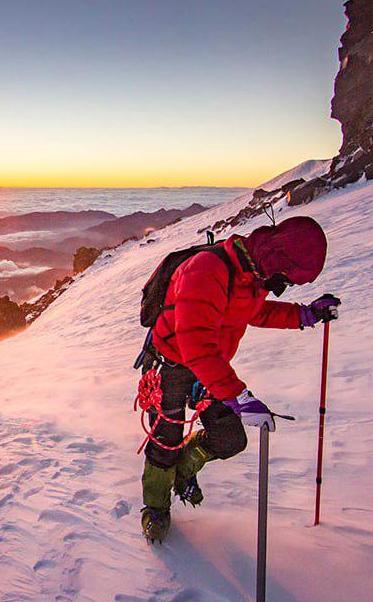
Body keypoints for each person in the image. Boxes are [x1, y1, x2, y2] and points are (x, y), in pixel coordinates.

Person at [139, 216, 340, 543]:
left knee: (230, 438)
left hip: (209, 368)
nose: (283, 286)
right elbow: (196, 344)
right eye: (287, 278)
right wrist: (238, 397)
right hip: (172, 365)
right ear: (278, 260)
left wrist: (307, 314)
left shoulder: (252, 278)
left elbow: (257, 313)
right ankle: (156, 509)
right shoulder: (207, 270)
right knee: (167, 440)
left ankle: (183, 471)